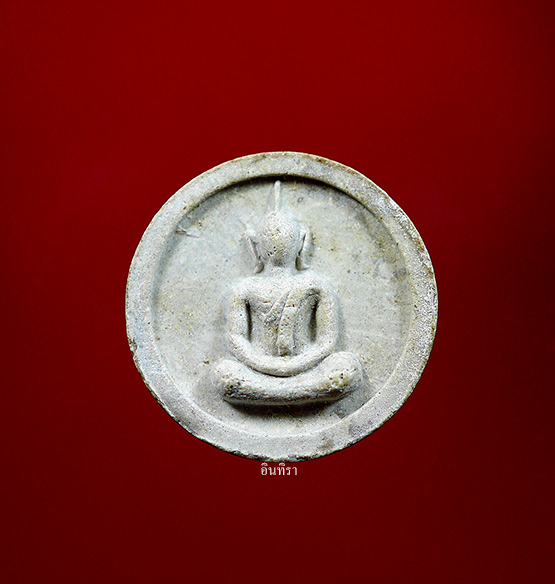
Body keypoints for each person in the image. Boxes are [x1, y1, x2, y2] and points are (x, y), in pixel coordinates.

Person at [212, 181, 362, 406]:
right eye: (270, 238)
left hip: (308, 368)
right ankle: (300, 393)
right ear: (255, 244)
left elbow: (327, 341)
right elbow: (237, 340)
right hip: (257, 370)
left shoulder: (316, 285)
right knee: (223, 374)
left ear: (302, 242)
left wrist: (296, 365)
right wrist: (267, 365)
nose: (278, 241)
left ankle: (271, 395)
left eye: (286, 236)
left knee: (346, 367)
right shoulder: (243, 289)